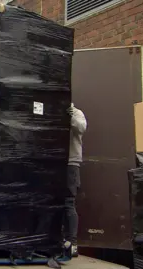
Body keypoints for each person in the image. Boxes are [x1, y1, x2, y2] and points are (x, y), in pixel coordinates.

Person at [64, 103, 87, 257]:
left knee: (68, 203)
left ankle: (72, 243)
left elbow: (81, 128)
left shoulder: (77, 113)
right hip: (53, 163)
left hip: (71, 164)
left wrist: (70, 115)